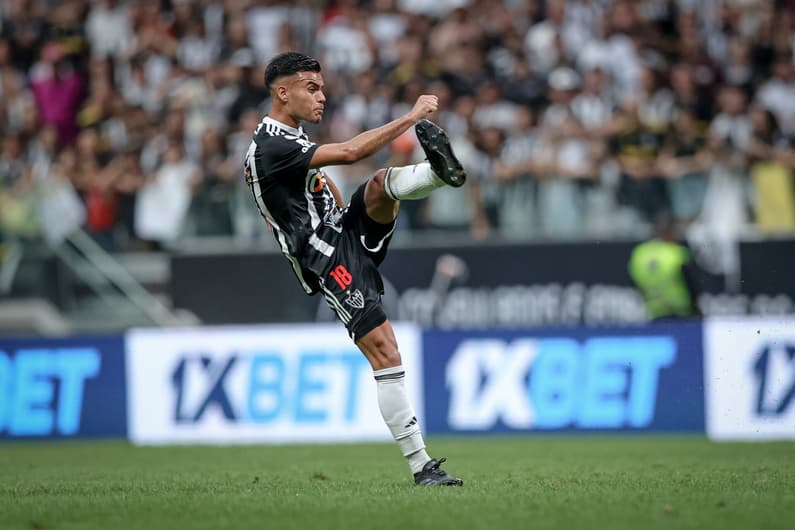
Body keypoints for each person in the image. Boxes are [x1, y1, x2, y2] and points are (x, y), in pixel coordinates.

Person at [244, 52, 465, 486]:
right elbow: (347, 153)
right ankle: (422, 467)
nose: (322, 97)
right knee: (386, 350)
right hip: (325, 257)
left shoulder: (292, 138)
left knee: (382, 185)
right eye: (312, 88)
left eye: (322, 88)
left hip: (343, 230)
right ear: (282, 92)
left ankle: (440, 174)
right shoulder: (271, 145)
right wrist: (412, 116)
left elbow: (322, 187)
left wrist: (349, 213)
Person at [628, 212, 702, 321]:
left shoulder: (640, 253)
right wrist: (695, 308)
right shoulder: (676, 253)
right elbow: (690, 284)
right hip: (680, 312)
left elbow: (633, 280)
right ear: (670, 232)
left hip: (654, 312)